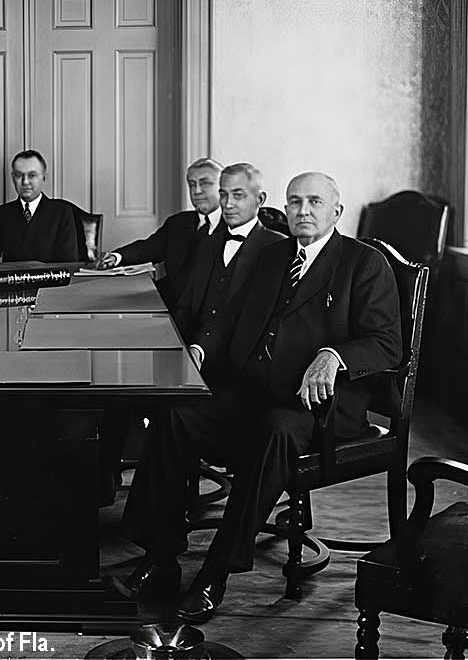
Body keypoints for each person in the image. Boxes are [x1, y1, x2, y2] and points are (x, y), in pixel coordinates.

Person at [115, 172, 402, 624]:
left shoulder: (363, 263)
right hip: (253, 393)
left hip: (318, 407)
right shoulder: (272, 256)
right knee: (177, 416)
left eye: (314, 202)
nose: (303, 211)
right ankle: (160, 558)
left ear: (336, 211)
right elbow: (228, 318)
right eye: (294, 202)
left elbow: (386, 343)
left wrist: (333, 355)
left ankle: (215, 573)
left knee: (275, 431)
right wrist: (200, 348)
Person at [171, 163, 287, 350]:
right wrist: (174, 345)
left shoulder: (278, 248)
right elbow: (186, 306)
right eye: (223, 194)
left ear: (260, 199)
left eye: (238, 195)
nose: (227, 204)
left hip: (243, 357)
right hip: (193, 349)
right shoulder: (208, 243)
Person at [96, 158, 224, 309]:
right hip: (169, 304)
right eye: (191, 184)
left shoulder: (235, 228)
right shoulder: (178, 223)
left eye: (205, 183)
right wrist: (117, 256)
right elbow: (149, 247)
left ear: (222, 188)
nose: (196, 191)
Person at [0, 149, 78, 263]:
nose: (25, 182)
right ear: (13, 178)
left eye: (32, 175)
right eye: (19, 175)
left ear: (44, 177)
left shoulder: (62, 211)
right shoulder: (2, 213)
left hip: (48, 274)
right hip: (12, 274)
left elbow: (68, 261)